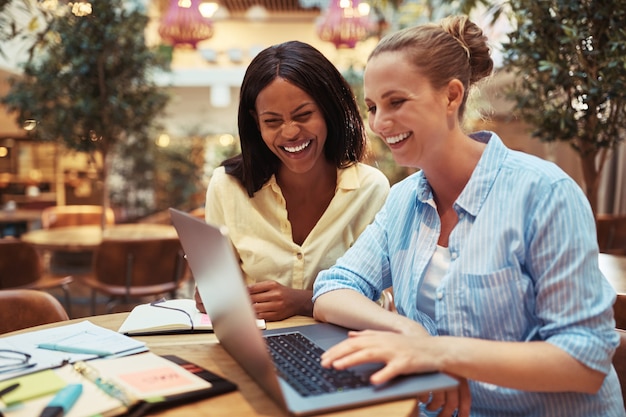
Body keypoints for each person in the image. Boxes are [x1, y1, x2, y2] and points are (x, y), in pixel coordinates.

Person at [312, 15, 624, 417]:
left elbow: (586, 361)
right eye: (372, 107)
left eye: (397, 102)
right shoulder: (403, 200)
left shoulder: (544, 194)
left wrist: (440, 353)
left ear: (451, 96)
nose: (378, 123)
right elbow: (334, 288)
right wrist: (407, 331)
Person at [194, 40, 390, 322]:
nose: (290, 132)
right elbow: (223, 290)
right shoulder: (226, 186)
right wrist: (214, 296)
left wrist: (305, 301)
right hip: (258, 345)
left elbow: (381, 300)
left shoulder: (371, 189)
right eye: (272, 122)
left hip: (343, 347)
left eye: (303, 115)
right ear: (256, 123)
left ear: (328, 110)